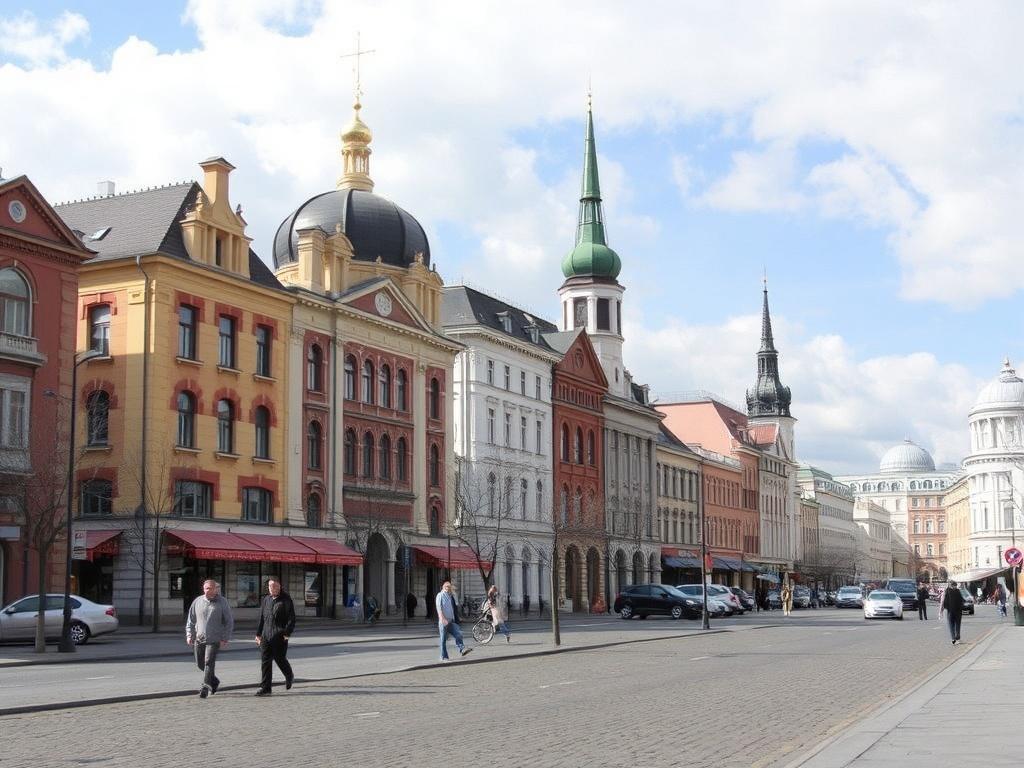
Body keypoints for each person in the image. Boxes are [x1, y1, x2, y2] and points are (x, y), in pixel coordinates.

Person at [186, 579, 234, 699]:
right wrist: (189, 634)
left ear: (215, 589)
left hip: (214, 639)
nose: (208, 590)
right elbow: (191, 620)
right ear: (203, 589)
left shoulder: (222, 602)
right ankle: (214, 681)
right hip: (199, 638)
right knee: (200, 664)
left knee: (209, 662)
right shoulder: (197, 601)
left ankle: (205, 687)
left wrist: (225, 637)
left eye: (210, 588)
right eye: (206, 588)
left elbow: (229, 622)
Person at [255, 577, 296, 696]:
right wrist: (258, 634)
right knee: (265, 661)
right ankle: (266, 688)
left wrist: (287, 634)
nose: (272, 588)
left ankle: (289, 675)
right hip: (265, 636)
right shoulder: (266, 599)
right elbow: (262, 619)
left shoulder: (286, 600)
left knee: (280, 659)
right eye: (270, 586)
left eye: (275, 586)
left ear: (279, 586)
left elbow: (291, 620)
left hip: (280, 636)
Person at [435, 581, 471, 661]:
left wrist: (457, 618)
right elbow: (439, 608)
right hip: (443, 622)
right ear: (444, 587)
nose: (449, 589)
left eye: (450, 587)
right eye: (448, 587)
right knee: (443, 640)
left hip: (451, 621)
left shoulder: (450, 596)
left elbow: (453, 608)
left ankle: (462, 649)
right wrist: (442, 619)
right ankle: (444, 657)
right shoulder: (440, 595)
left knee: (458, 634)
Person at [939, 579, 965, 644]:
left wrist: (941, 611)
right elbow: (962, 601)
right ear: (955, 585)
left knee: (951, 625)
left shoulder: (946, 591)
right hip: (958, 612)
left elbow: (942, 602)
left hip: (950, 611)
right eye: (955, 586)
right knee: (958, 625)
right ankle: (957, 638)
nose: (956, 587)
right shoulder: (958, 591)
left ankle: (953, 639)